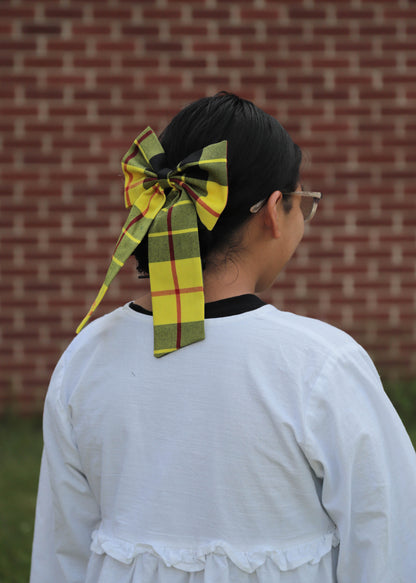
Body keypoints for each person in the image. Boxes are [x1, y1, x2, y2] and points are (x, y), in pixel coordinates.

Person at [30, 92, 416, 583]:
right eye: (303, 204)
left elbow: (61, 553)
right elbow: (388, 538)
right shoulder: (321, 365)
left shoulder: (86, 358)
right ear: (274, 210)